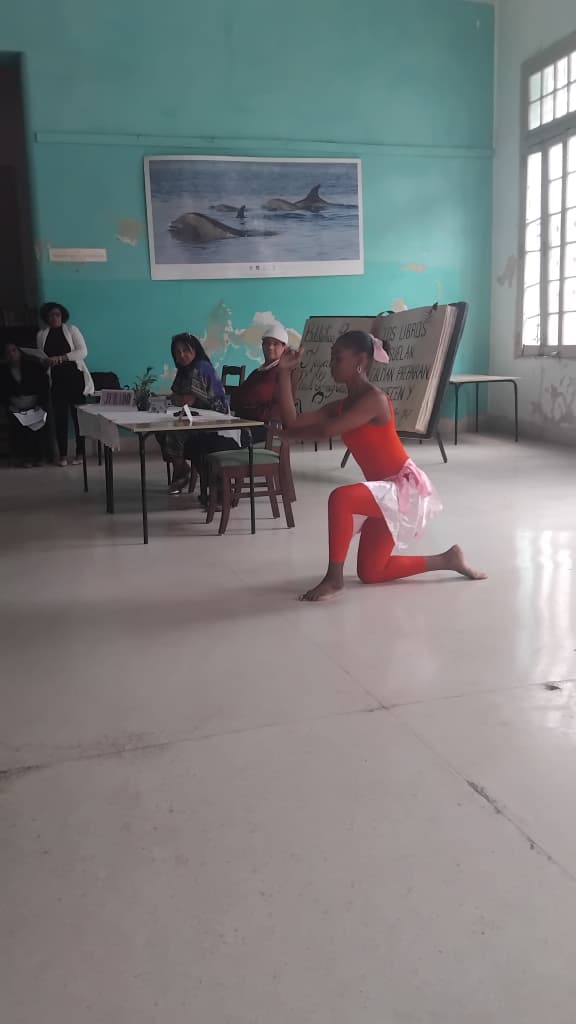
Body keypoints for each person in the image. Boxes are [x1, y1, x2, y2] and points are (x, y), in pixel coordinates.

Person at [277, 330, 486, 602]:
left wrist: (290, 436)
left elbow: (328, 430)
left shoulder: (374, 400)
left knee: (341, 498)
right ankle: (449, 559)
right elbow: (293, 421)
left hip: (402, 488)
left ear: (360, 361)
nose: (331, 364)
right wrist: (283, 373)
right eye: (331, 358)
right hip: (383, 491)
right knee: (371, 572)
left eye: (337, 358)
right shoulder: (341, 406)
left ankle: (334, 579)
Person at [158, 332, 238, 497]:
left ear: (195, 350)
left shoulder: (200, 367)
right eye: (177, 352)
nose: (182, 355)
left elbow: (187, 399)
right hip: (196, 417)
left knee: (173, 433)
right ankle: (181, 468)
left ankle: (181, 470)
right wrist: (179, 399)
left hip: (215, 419)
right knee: (160, 430)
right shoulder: (184, 370)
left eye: (185, 350)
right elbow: (175, 396)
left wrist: (180, 399)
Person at [37, 302, 94, 466]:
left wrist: (61, 358)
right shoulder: (41, 335)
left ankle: (80, 453)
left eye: (57, 314)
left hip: (74, 378)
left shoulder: (71, 330)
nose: (54, 318)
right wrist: (45, 361)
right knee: (60, 418)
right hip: (56, 380)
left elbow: (82, 352)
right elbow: (41, 357)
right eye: (50, 315)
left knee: (78, 418)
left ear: (62, 316)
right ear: (46, 318)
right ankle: (62, 455)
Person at [230, 322, 295, 441]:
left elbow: (255, 396)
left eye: (275, 344)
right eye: (267, 343)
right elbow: (236, 399)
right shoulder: (257, 371)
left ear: (284, 347)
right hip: (245, 422)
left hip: (264, 429)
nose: (270, 347)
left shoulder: (281, 373)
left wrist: (245, 406)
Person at [0, 342, 51, 466]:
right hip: (16, 406)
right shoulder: (3, 370)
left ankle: (40, 456)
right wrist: (10, 405)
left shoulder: (32, 366)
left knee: (37, 429)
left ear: (19, 352)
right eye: (8, 352)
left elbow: (43, 384)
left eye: (14, 350)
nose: (11, 354)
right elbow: (3, 391)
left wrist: (40, 403)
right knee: (20, 431)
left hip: (35, 403)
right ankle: (26, 457)